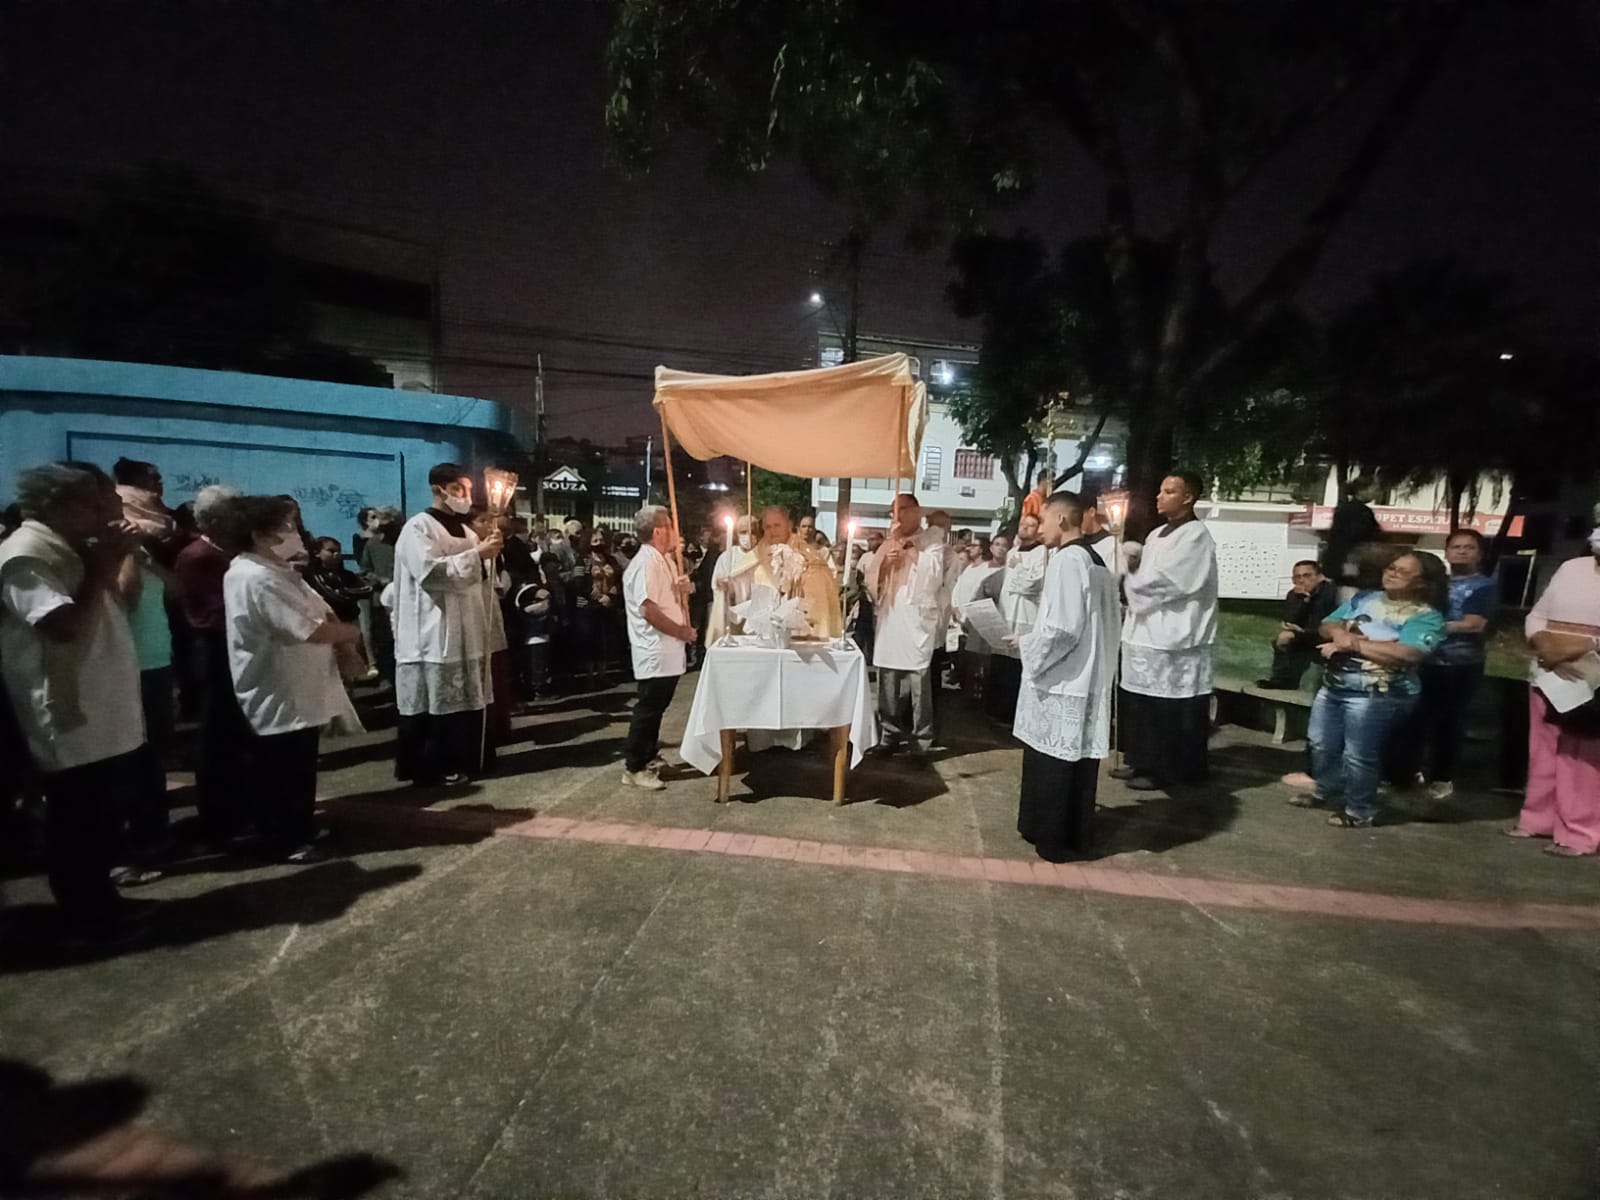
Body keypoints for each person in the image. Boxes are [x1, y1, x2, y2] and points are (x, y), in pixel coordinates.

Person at [0, 463, 148, 939]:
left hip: (98, 705)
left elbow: (122, 602)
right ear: (58, 505)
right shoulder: (24, 555)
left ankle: (102, 903)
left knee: (99, 816)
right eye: (95, 503)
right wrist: (102, 565)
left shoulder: (74, 548)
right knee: (76, 818)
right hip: (67, 710)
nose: (105, 513)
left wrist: (115, 559)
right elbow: (62, 627)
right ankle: (86, 919)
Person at [219, 495, 363, 863]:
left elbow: (322, 612)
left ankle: (301, 827)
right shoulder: (255, 577)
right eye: (285, 527)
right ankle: (285, 839)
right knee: (281, 770)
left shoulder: (278, 571)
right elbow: (308, 629)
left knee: (299, 765)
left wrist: (342, 641)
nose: (294, 533)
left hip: (300, 688)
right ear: (258, 534)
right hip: (279, 690)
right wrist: (350, 634)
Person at [1297, 551, 1448, 829]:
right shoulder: (1364, 599)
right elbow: (1328, 623)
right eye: (1391, 567)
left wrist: (1354, 645)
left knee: (1359, 753)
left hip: (1379, 693)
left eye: (1403, 571)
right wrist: (1340, 634)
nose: (1392, 573)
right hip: (1335, 685)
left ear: (1422, 582)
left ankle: (1360, 809)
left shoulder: (1426, 617)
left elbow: (1408, 653)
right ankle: (1327, 789)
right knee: (1321, 743)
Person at [1011, 492, 1121, 861]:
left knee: (1053, 764)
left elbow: (1061, 629)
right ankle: (1073, 835)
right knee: (1075, 764)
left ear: (1060, 519)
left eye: (1042, 520)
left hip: (1062, 679)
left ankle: (1051, 837)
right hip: (1086, 676)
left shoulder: (1067, 560)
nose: (1039, 528)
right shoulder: (1096, 560)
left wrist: (1027, 645)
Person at [391, 464, 501, 786]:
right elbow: (431, 573)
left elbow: (480, 575)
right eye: (458, 489)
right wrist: (478, 555)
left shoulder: (467, 531)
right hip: (432, 627)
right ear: (438, 489)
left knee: (466, 699)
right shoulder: (418, 528)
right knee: (435, 702)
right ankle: (431, 767)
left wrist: (490, 553)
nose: (465, 496)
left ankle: (469, 758)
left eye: (468, 489)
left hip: (467, 625)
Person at [1115, 472, 1220, 791]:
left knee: (1170, 707)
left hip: (1175, 633)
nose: (1159, 496)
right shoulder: (1156, 533)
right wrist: (1131, 561)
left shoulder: (1196, 536)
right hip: (1145, 630)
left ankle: (1169, 769)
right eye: (1160, 490)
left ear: (1188, 497)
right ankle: (1141, 760)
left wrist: (1129, 578)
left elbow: (1171, 581)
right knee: (1142, 703)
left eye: (1169, 491)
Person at [1513, 529, 1600, 856]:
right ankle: (1538, 819)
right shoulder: (1571, 568)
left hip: (1591, 676)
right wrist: (1547, 648)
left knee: (1582, 757)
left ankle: (1579, 834)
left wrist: (1576, 650)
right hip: (1548, 672)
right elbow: (1538, 615)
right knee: (1543, 750)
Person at [1394, 530, 1497, 799]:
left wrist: (1429, 627)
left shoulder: (1483, 586)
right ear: (1447, 552)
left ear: (1480, 554)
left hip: (1459, 664)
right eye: (1456, 546)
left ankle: (1442, 777)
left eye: (1469, 547)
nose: (1462, 551)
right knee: (1413, 718)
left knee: (1449, 722)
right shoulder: (1434, 582)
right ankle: (1405, 773)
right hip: (1424, 660)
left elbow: (1474, 624)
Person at [173, 483, 249, 844]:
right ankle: (220, 818)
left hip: (235, 648)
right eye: (235, 510)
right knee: (218, 736)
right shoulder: (197, 557)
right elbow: (214, 610)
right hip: (214, 650)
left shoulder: (230, 552)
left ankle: (243, 808)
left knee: (238, 736)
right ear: (215, 519)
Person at [861, 493, 957, 760]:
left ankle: (921, 740)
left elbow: (933, 575)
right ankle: (889, 734)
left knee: (919, 684)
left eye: (903, 510)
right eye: (894, 511)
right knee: (887, 680)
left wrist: (908, 548)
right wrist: (886, 564)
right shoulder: (888, 543)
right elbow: (872, 580)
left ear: (917, 511)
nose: (898, 516)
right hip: (890, 617)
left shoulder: (932, 541)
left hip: (916, 620)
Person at [621, 505, 696, 790]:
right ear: (658, 531)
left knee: (658, 707)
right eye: (670, 525)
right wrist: (681, 631)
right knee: (648, 708)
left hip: (669, 649)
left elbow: (666, 597)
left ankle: (649, 755)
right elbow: (649, 610)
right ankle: (634, 766)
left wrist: (682, 589)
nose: (675, 531)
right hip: (654, 647)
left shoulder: (664, 559)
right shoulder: (646, 563)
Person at [987, 512, 1047, 723]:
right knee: (1001, 662)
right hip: (1007, 612)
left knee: (1018, 665)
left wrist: (1018, 568)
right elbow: (1007, 584)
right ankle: (996, 710)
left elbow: (1034, 583)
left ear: (1038, 530)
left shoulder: (1042, 552)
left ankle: (1013, 714)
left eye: (1031, 525)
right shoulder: (1012, 552)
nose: (1025, 528)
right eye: (1023, 524)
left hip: (1025, 614)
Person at [1257, 560, 1339, 690]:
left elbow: (1331, 624)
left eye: (1307, 576)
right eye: (1297, 577)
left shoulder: (1331, 593)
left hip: (1328, 636)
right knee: (1284, 637)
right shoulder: (1294, 595)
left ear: (1319, 577)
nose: (1302, 581)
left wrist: (1304, 631)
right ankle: (1281, 680)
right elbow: (1289, 621)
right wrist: (1304, 602)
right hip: (1304, 636)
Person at [1323, 476, 1385, 599]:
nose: (1377, 493)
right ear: (1362, 490)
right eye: (1374, 489)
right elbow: (1357, 536)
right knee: (1350, 596)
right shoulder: (1361, 511)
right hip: (1352, 562)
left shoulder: (1344, 508)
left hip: (1344, 562)